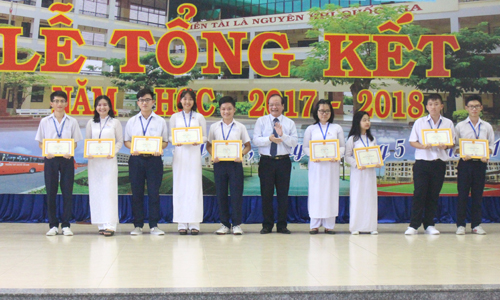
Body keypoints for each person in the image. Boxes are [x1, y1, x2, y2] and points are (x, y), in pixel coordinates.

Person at [405, 93, 456, 235]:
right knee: (419, 194)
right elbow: (412, 141)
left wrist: (445, 146)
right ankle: (413, 225)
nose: (433, 107)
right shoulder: (419, 122)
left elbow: (452, 142)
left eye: (436, 104)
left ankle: (429, 224)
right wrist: (423, 146)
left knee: (434, 194)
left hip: (439, 163)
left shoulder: (448, 123)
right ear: (426, 107)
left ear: (441, 106)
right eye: (430, 104)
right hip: (422, 163)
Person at [35, 90, 83, 236]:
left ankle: (66, 224)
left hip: (67, 159)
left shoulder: (72, 121)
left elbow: (75, 142)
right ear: (51, 103)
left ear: (66, 103)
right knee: (51, 191)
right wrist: (46, 152)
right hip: (50, 159)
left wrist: (71, 151)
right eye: (56, 101)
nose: (59, 104)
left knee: (67, 191)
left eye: (62, 101)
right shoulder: (45, 121)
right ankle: (53, 225)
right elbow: (40, 142)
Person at [124, 88, 168, 235]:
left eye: (147, 100)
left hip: (154, 160)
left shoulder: (160, 121)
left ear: (153, 102)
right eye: (142, 100)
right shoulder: (132, 121)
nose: (144, 102)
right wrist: (133, 148)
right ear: (138, 103)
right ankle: (138, 225)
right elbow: (127, 141)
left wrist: (159, 148)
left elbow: (165, 142)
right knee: (136, 192)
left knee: (154, 193)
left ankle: (154, 225)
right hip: (136, 160)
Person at [253, 94, 298, 234]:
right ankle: (267, 224)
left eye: (277, 104)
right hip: (266, 161)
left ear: (283, 106)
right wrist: (269, 139)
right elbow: (256, 140)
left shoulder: (289, 123)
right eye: (271, 104)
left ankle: (282, 225)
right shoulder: (261, 121)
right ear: (268, 106)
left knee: (282, 195)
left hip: (283, 161)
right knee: (266, 194)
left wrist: (282, 135)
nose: (274, 107)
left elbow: (294, 142)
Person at [207, 96, 251, 235]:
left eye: (229, 109)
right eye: (224, 109)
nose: (226, 111)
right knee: (221, 194)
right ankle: (224, 224)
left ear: (234, 110)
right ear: (220, 110)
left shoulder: (240, 127)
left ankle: (237, 224)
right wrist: (213, 155)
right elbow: (209, 145)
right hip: (220, 164)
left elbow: (248, 146)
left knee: (236, 194)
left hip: (235, 164)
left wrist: (241, 155)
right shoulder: (214, 127)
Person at [303, 99, 345, 234]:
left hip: (332, 166)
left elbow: (343, 147)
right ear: (316, 112)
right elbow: (305, 147)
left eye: (327, 111)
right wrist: (313, 155)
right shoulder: (311, 129)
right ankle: (314, 225)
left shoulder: (336, 128)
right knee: (316, 193)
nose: (324, 113)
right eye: (321, 110)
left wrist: (337, 155)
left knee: (330, 193)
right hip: (317, 167)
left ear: (331, 112)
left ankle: (329, 225)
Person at [455, 95, 494, 235]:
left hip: (480, 164)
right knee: (463, 195)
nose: (474, 109)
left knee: (478, 195)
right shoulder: (460, 126)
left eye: (477, 106)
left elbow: (491, 145)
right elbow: (455, 146)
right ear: (466, 108)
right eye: (471, 106)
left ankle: (476, 224)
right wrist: (462, 153)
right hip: (465, 164)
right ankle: (460, 225)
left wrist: (486, 154)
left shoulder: (487, 126)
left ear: (481, 108)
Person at [169, 89, 207, 235]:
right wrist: (175, 141)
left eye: (190, 99)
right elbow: (171, 136)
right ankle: (181, 222)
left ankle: (194, 222)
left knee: (194, 186)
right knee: (179, 186)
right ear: (180, 101)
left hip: (193, 154)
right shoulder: (174, 117)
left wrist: (197, 140)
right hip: (180, 155)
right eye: (184, 99)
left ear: (194, 101)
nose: (187, 101)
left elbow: (204, 137)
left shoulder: (199, 117)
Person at [85, 95, 123, 237]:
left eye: (105, 104)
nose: (102, 107)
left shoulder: (115, 122)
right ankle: (100, 223)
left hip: (109, 161)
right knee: (96, 191)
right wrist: (88, 153)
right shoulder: (91, 123)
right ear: (95, 107)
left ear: (109, 107)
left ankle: (110, 224)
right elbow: (88, 141)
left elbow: (119, 141)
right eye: (99, 105)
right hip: (94, 162)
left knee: (109, 191)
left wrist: (113, 152)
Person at [345, 111, 381, 235]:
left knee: (370, 197)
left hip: (370, 173)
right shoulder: (352, 139)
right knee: (357, 197)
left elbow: (376, 154)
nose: (367, 122)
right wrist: (356, 164)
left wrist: (377, 162)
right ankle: (356, 226)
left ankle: (371, 227)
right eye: (364, 120)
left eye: (368, 120)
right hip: (358, 173)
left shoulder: (372, 139)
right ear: (358, 122)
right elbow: (347, 156)